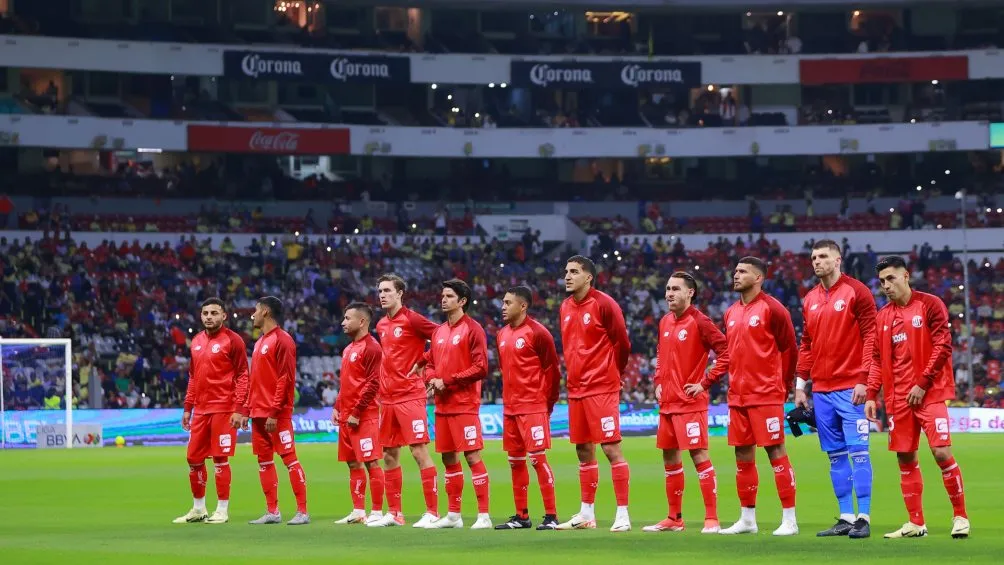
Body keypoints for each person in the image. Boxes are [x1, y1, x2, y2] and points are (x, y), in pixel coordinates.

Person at [685, 256, 798, 536]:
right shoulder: (731, 312)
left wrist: (784, 386)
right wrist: (710, 382)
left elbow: (789, 349)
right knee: (742, 456)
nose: (735, 275)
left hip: (766, 394)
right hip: (738, 396)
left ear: (758, 278)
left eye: (743, 271)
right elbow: (730, 355)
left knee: (775, 452)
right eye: (735, 270)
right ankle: (747, 519)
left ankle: (790, 519)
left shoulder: (773, 309)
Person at [865, 256, 970, 539]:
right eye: (882, 281)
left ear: (906, 276)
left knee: (941, 452)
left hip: (930, 393)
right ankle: (916, 523)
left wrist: (922, 383)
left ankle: (961, 517)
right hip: (898, 398)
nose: (886, 285)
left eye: (891, 278)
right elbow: (877, 359)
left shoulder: (930, 304)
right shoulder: (882, 316)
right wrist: (872, 394)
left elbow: (943, 345)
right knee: (905, 457)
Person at [795, 240, 877, 539]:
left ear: (838, 259)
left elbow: (871, 336)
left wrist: (864, 379)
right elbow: (806, 344)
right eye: (813, 257)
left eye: (822, 256)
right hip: (821, 390)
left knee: (859, 451)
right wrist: (801, 385)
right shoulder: (810, 298)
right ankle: (845, 517)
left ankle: (863, 517)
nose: (817, 261)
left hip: (851, 387)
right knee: (835, 455)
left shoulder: (857, 291)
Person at [643, 272, 727, 534]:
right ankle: (674, 518)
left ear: (690, 292)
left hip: (690, 403)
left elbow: (727, 352)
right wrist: (658, 380)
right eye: (668, 288)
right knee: (669, 457)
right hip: (667, 403)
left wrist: (705, 382)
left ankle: (712, 518)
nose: (669, 294)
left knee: (698, 455)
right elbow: (661, 354)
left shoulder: (700, 321)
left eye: (675, 289)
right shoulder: (665, 321)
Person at [555, 255, 632, 532]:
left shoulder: (604, 304)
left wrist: (613, 374)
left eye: (574, 271)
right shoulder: (565, 306)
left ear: (588, 277)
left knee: (610, 448)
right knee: (583, 449)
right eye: (566, 271)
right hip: (576, 389)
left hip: (601, 387)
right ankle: (586, 514)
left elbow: (622, 343)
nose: (567, 276)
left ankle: (622, 514)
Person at [414, 279, 492, 529]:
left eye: (449, 296)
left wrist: (447, 381)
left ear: (462, 301)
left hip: (465, 404)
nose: (443, 299)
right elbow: (430, 363)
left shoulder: (473, 329)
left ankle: (484, 516)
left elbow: (481, 367)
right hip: (442, 406)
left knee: (472, 455)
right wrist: (431, 379)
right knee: (448, 458)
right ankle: (454, 516)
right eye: (443, 295)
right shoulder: (438, 331)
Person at [368, 274, 441, 528]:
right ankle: (394, 513)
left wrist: (425, 360)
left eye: (387, 290)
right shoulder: (381, 324)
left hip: (410, 396)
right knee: (389, 455)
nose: (382, 295)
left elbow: (442, 336)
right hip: (387, 399)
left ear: (400, 293)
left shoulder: (412, 319)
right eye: (380, 291)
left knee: (419, 452)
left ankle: (432, 512)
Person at [173, 298, 249, 525]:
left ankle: (222, 510)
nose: (209, 317)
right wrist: (188, 407)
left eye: (214, 313)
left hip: (224, 409)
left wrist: (239, 408)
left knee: (220, 459)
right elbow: (193, 377)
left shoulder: (233, 340)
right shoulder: (196, 341)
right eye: (205, 313)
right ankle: (198, 509)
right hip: (201, 410)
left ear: (224, 316)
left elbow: (243, 376)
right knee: (193, 458)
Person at [494, 286, 562, 530]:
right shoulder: (501, 334)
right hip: (510, 408)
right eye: (503, 302)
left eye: (508, 303)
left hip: (533, 406)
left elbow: (553, 371)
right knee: (515, 461)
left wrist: (547, 404)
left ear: (523, 306)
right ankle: (521, 516)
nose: (503, 307)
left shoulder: (538, 332)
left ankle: (551, 516)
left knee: (537, 460)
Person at [247, 296, 310, 525]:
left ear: (265, 311)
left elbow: (285, 379)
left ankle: (302, 512)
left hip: (276, 413)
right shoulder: (260, 342)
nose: (252, 315)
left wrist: (274, 412)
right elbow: (256, 380)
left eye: (255, 310)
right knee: (264, 461)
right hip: (257, 412)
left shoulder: (283, 340)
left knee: (289, 459)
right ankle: (272, 511)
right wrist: (247, 409)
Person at [332, 302, 386, 526]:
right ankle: (358, 510)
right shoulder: (348, 349)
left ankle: (377, 511)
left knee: (371, 462)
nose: (343, 323)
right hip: (346, 415)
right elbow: (346, 383)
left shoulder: (372, 347)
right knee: (352, 463)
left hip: (364, 415)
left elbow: (373, 383)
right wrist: (337, 406)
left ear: (362, 321)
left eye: (347, 318)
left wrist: (356, 412)